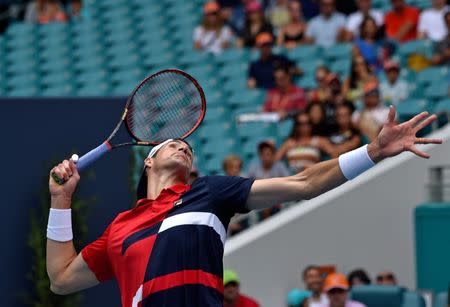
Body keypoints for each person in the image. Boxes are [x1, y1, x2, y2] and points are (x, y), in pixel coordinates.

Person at [46, 108, 441, 306]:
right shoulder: (120, 228)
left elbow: (304, 183)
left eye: (188, 146)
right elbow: (61, 278)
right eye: (171, 143)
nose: (184, 144)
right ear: (147, 161)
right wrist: (60, 199)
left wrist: (372, 152)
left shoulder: (210, 193)